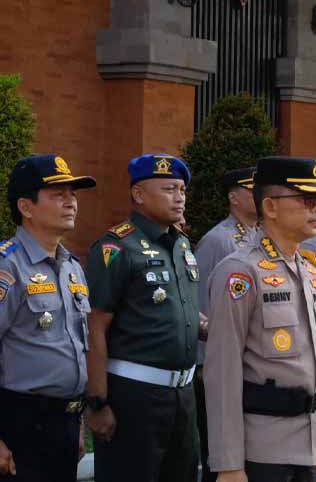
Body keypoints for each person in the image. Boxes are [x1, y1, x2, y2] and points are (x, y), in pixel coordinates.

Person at [203, 157, 316, 482]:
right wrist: (229, 463)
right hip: (262, 451)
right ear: (271, 207)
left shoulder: (310, 270)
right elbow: (222, 371)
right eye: (306, 200)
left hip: (308, 447)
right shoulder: (240, 272)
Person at [84, 153, 201, 482]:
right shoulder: (117, 248)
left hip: (183, 395)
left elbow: (179, 309)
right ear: (138, 194)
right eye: (168, 189)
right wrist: (97, 401)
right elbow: (95, 325)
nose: (179, 197)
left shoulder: (181, 245)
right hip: (135, 396)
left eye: (182, 189)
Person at [0, 155, 96, 481]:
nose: (71, 202)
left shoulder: (72, 267)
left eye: (73, 194)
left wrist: (78, 421)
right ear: (26, 207)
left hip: (66, 421)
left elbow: (75, 348)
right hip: (19, 424)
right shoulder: (8, 267)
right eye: (58, 195)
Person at [193, 166, 256, 482]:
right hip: (218, 368)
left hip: (250, 368)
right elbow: (201, 305)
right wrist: (207, 366)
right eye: (251, 188)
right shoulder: (217, 240)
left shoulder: (261, 237)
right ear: (234, 197)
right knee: (220, 460)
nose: (259, 193)